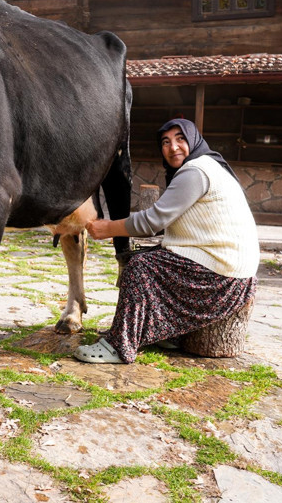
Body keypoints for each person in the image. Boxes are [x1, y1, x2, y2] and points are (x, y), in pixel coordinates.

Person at [75, 118, 259, 364]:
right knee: (148, 257)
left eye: (180, 139)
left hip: (224, 281)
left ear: (193, 141)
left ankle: (119, 346)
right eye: (165, 142)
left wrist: (108, 228)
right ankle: (164, 332)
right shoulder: (206, 165)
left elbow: (152, 222)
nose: (173, 147)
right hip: (230, 273)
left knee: (141, 268)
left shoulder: (195, 172)